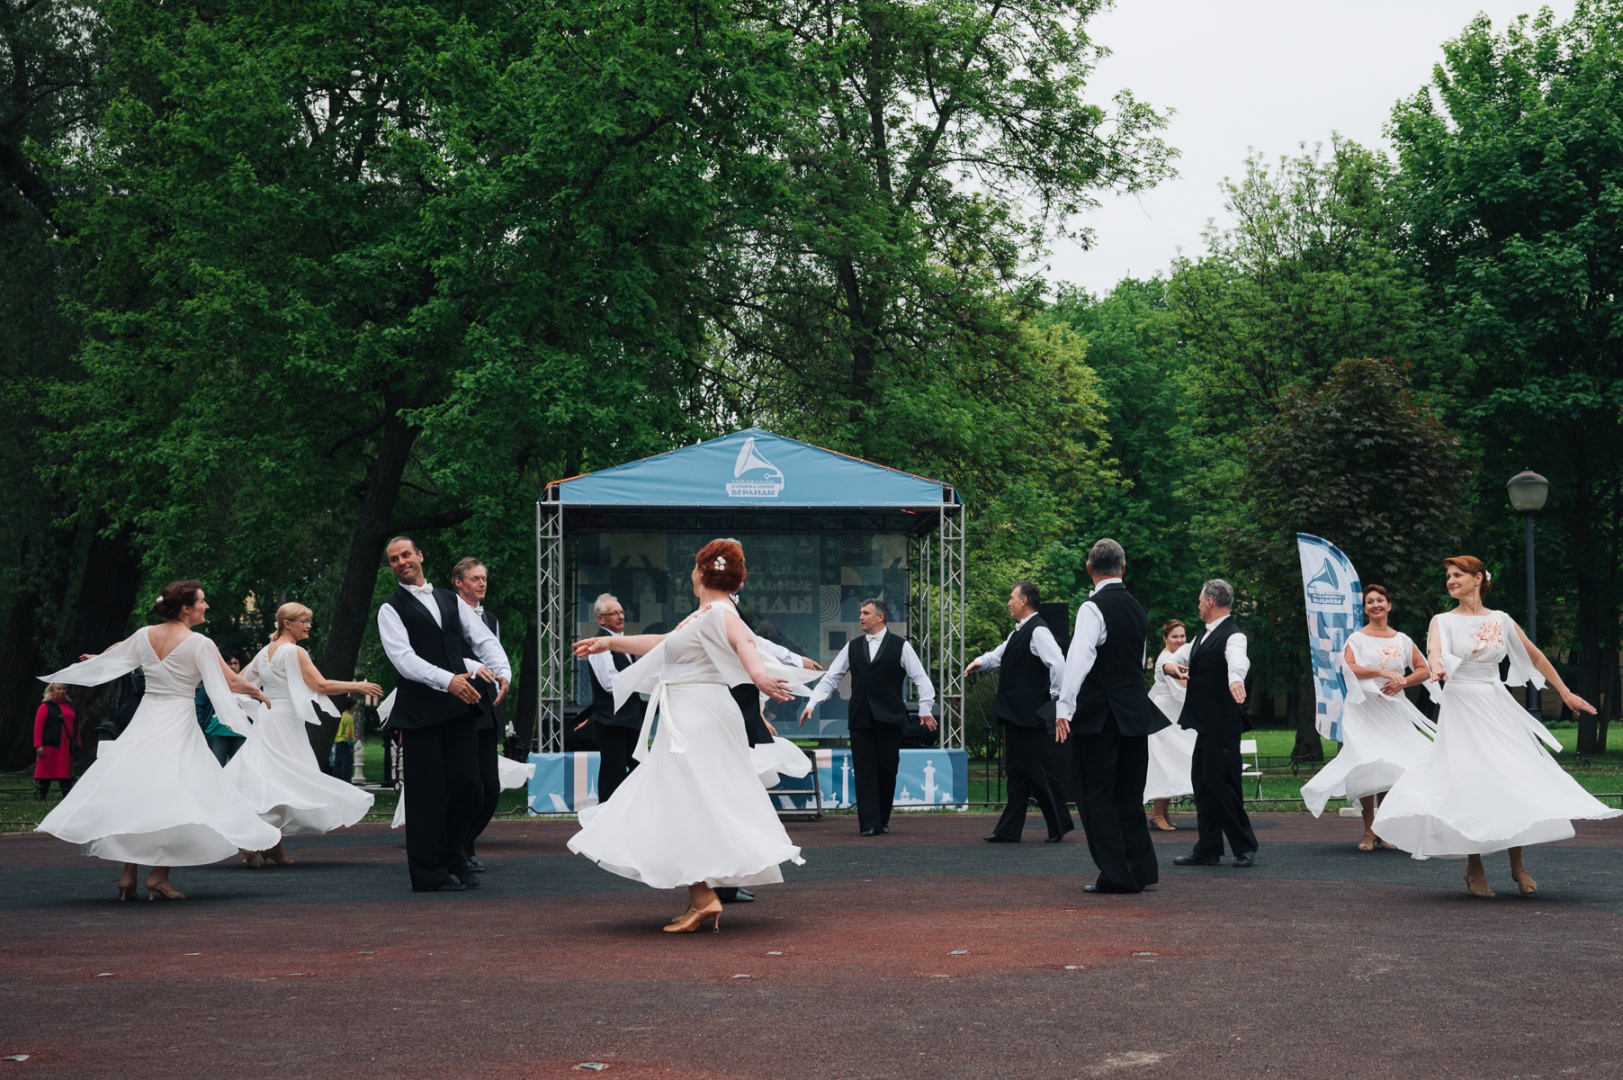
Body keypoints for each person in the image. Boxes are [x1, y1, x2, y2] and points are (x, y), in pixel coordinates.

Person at [567, 539, 818, 932]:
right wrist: (610, 641)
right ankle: (700, 895)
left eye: (693, 568)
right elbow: (666, 644)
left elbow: (745, 642)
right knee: (684, 800)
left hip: (698, 716)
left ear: (702, 572)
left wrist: (758, 675)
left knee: (682, 800)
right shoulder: (703, 615)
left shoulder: (720, 612)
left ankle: (703, 896)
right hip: (689, 713)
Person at [1372, 557, 1621, 897]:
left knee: (1510, 777)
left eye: (1458, 575)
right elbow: (1434, 651)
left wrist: (1565, 692)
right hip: (1461, 705)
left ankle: (1517, 865)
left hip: (1496, 703)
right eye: (1448, 576)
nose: (1451, 580)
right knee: (1471, 782)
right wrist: (1437, 668)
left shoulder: (1500, 619)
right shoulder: (1442, 620)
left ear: (1478, 579)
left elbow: (1534, 656)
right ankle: (1474, 867)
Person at [36, 580, 281, 901]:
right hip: (178, 724)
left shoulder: (145, 635)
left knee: (142, 796)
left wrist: (97, 658)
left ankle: (128, 876)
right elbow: (231, 680)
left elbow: (118, 653)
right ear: (186, 608)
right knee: (177, 798)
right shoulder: (200, 644)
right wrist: (258, 693)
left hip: (146, 722)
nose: (206, 606)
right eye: (202, 602)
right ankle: (158, 876)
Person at [377, 536, 511, 893]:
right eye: (393, 559)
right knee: (427, 794)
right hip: (420, 712)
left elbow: (482, 640)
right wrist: (447, 680)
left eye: (406, 554)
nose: (401, 561)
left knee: (470, 786)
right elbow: (404, 661)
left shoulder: (450, 599)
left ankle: (455, 854)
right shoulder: (390, 609)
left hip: (458, 708)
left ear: (420, 556)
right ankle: (429, 872)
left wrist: (503, 672)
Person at [1055, 540, 1170, 894]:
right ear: (1124, 567)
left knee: (1094, 794)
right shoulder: (1138, 609)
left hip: (1101, 716)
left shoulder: (1092, 608)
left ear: (1090, 569)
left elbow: (1080, 657)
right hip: (1135, 712)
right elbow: (1138, 662)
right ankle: (1140, 869)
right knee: (1128, 794)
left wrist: (1064, 706)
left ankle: (1117, 875)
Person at [227, 602, 380, 865]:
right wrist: (357, 685)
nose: (308, 625)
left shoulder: (265, 652)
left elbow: (239, 679)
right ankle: (256, 842)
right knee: (287, 779)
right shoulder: (294, 652)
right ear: (287, 624)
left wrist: (257, 700)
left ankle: (270, 845)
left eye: (309, 620)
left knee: (272, 777)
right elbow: (319, 684)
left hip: (268, 719)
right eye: (303, 621)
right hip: (284, 720)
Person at [1300, 585, 1435, 849]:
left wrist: (1402, 682)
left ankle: (1385, 830)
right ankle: (1368, 831)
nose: (1375, 604)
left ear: (1389, 605)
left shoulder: (1402, 640)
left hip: (1392, 709)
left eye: (1380, 600)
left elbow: (1424, 670)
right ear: (1365, 609)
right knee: (1367, 763)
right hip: (1364, 709)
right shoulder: (1357, 639)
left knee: (1390, 764)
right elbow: (1349, 667)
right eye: (1370, 602)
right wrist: (1382, 673)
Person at [800, 599, 938, 836]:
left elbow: (921, 678)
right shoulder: (852, 647)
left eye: (866, 613)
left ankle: (882, 818)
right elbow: (832, 677)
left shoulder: (901, 646)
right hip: (861, 718)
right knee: (863, 770)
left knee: (887, 769)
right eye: (860, 612)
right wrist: (813, 702)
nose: (861, 617)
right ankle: (868, 823)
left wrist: (925, 708)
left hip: (890, 718)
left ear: (880, 617)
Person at [965, 581, 1073, 844]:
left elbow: (1058, 663)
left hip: (1029, 714)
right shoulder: (1019, 633)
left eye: (1011, 597)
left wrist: (1056, 698)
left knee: (1037, 769)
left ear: (1024, 601)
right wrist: (979, 662)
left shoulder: (1038, 631)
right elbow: (998, 655)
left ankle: (1059, 823)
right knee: (1016, 771)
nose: (1008, 602)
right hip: (1016, 714)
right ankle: (1009, 829)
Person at [1165, 579, 1259, 868]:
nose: (1197, 605)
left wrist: (1235, 679)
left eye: (1199, 599)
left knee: (1220, 784)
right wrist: (1171, 668)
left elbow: (1237, 660)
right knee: (1202, 784)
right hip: (1206, 724)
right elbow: (1170, 661)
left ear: (1209, 602)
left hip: (1223, 723)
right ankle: (1208, 848)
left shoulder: (1234, 636)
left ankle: (1245, 845)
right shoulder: (1200, 637)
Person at [451, 557, 506, 872]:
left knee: (490, 786)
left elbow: (496, 658)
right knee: (467, 784)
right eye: (475, 578)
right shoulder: (447, 615)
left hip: (487, 708)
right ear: (459, 582)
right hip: (458, 705)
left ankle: (466, 841)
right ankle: (458, 848)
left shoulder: (492, 619)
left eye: (484, 578)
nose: (482, 583)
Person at [584, 592, 647, 804]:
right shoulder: (598, 646)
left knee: (641, 769)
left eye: (621, 612)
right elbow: (610, 684)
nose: (620, 616)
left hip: (631, 720)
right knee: (614, 774)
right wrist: (643, 675)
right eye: (614, 613)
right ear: (601, 619)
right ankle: (604, 822)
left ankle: (628, 814)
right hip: (611, 722)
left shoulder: (622, 642)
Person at [1144, 620, 1197, 831]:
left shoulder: (1175, 657)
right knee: (1165, 763)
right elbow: (1182, 687)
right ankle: (1157, 813)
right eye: (1175, 636)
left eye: (1183, 636)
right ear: (1165, 638)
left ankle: (1163, 811)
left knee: (1173, 761)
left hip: (1173, 713)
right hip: (1165, 715)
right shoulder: (1166, 659)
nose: (1180, 640)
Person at [195, 650, 249, 766]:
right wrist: (201, 729)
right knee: (217, 770)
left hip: (240, 734)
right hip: (215, 733)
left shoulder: (246, 684)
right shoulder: (212, 683)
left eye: (236, 663)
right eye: (229, 663)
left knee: (239, 769)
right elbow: (199, 706)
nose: (233, 666)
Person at [33, 684, 79, 800]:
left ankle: (66, 798)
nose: (61, 691)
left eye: (64, 689)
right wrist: (38, 745)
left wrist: (77, 742)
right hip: (51, 744)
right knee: (46, 771)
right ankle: (42, 797)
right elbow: (38, 727)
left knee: (66, 772)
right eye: (58, 689)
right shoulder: (45, 706)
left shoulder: (70, 705)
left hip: (66, 745)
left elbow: (76, 725)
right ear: (52, 690)